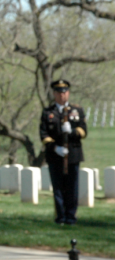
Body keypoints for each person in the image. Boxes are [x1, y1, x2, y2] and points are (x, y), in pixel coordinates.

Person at [39, 79, 87, 225]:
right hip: (55, 156)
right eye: (59, 92)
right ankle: (60, 216)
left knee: (72, 188)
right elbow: (44, 135)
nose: (62, 95)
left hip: (73, 154)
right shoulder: (48, 113)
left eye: (65, 92)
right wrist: (55, 148)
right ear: (54, 94)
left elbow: (83, 131)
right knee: (58, 188)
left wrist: (72, 131)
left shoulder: (77, 110)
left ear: (68, 93)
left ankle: (71, 216)